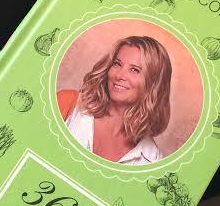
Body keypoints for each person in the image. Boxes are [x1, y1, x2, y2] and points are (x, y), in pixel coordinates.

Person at [58, 36, 171, 165]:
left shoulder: (152, 161)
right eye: (117, 64)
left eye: (135, 70)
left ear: (153, 84)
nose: (119, 75)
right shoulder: (68, 103)